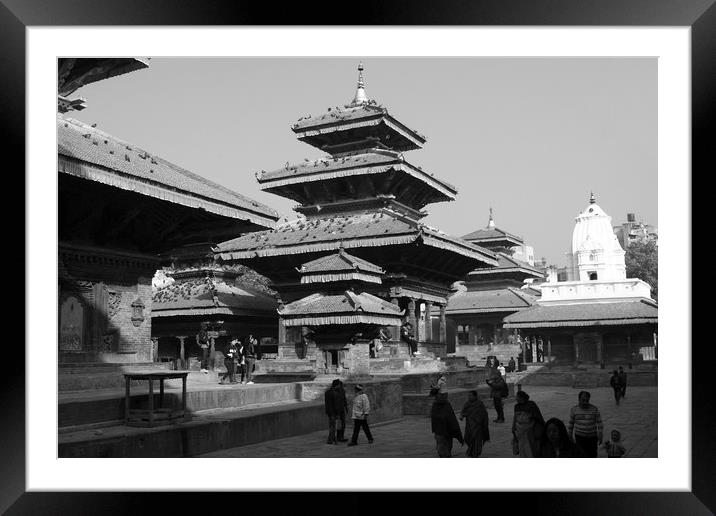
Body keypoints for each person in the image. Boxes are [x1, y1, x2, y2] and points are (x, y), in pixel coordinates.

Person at [568, 391, 604, 458]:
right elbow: (571, 423)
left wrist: (600, 433)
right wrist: (570, 435)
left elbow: (599, 422)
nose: (585, 402)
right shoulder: (574, 410)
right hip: (579, 437)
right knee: (581, 454)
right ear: (579, 399)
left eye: (587, 400)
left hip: (592, 437)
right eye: (583, 400)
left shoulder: (594, 409)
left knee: (592, 454)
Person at [511, 390, 545, 457]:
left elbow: (537, 416)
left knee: (530, 447)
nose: (516, 398)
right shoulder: (517, 406)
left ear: (521, 397)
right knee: (522, 448)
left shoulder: (531, 404)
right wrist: (513, 427)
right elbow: (515, 417)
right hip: (520, 431)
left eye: (517, 397)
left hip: (530, 430)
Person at [431, 392, 464, 457]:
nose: (444, 397)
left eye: (445, 395)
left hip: (448, 432)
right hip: (439, 432)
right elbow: (434, 418)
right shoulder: (435, 405)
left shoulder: (447, 404)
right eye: (442, 395)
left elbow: (452, 418)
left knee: (448, 448)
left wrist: (458, 434)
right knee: (442, 449)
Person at [459, 390, 490, 457]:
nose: (469, 397)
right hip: (469, 426)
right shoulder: (467, 403)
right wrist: (461, 416)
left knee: (477, 441)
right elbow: (463, 411)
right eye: (468, 396)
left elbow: (484, 414)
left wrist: (484, 423)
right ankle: (471, 450)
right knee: (468, 439)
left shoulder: (479, 404)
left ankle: (475, 453)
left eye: (471, 396)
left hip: (478, 426)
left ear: (475, 396)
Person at [325, 379, 349, 444]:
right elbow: (329, 405)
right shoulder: (329, 393)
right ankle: (331, 439)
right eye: (339, 385)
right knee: (333, 426)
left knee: (341, 425)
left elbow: (344, 400)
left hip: (340, 410)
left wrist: (346, 407)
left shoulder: (341, 391)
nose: (340, 386)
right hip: (333, 412)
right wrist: (332, 413)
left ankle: (340, 437)